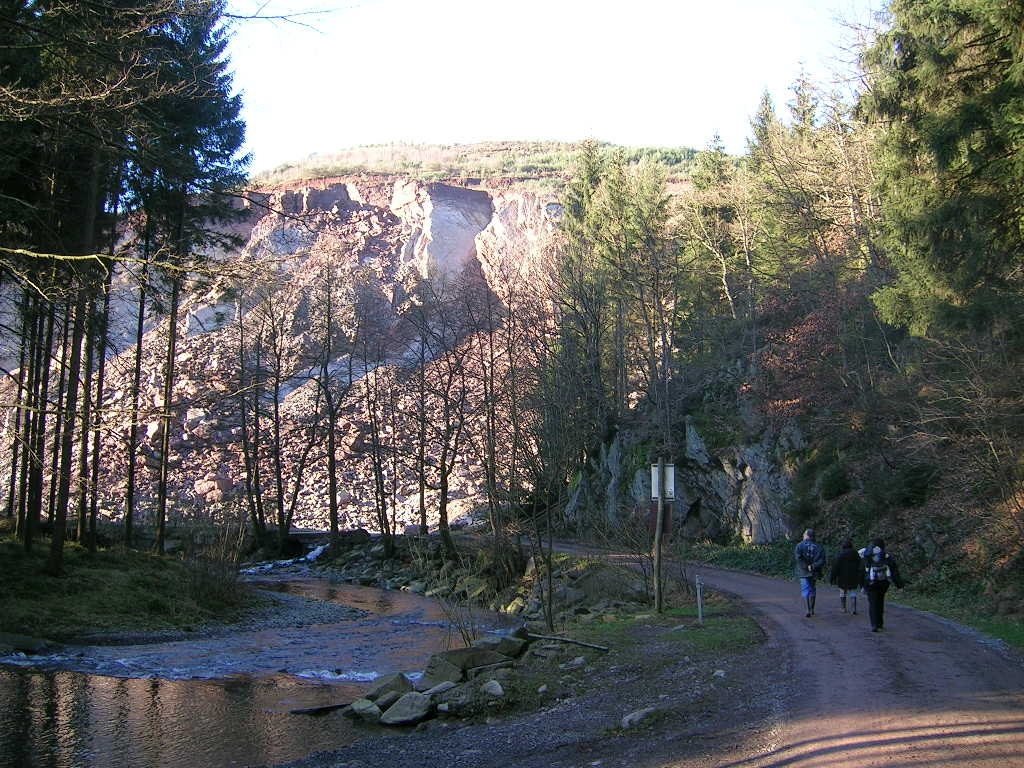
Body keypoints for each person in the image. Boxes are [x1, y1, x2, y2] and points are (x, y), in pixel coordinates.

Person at [858, 537, 904, 632]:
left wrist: (862, 585)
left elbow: (862, 571)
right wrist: (899, 585)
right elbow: (894, 571)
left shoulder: (868, 556)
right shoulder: (886, 556)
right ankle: (880, 623)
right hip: (883, 583)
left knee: (873, 603)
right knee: (880, 601)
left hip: (871, 583)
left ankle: (874, 624)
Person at [794, 528, 826, 617]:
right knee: (812, 589)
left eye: (804, 534)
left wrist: (805, 566)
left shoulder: (799, 546)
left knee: (805, 590)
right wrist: (813, 566)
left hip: (803, 572)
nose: (803, 535)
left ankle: (807, 609)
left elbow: (798, 558)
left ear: (807, 535)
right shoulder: (819, 547)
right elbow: (822, 560)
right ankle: (812, 609)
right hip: (814, 571)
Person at [829, 538, 863, 614]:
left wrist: (832, 578)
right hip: (854, 576)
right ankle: (853, 609)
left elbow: (835, 567)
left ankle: (843, 608)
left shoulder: (840, 555)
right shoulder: (856, 554)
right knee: (853, 592)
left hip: (842, 577)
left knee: (842, 592)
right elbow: (860, 565)